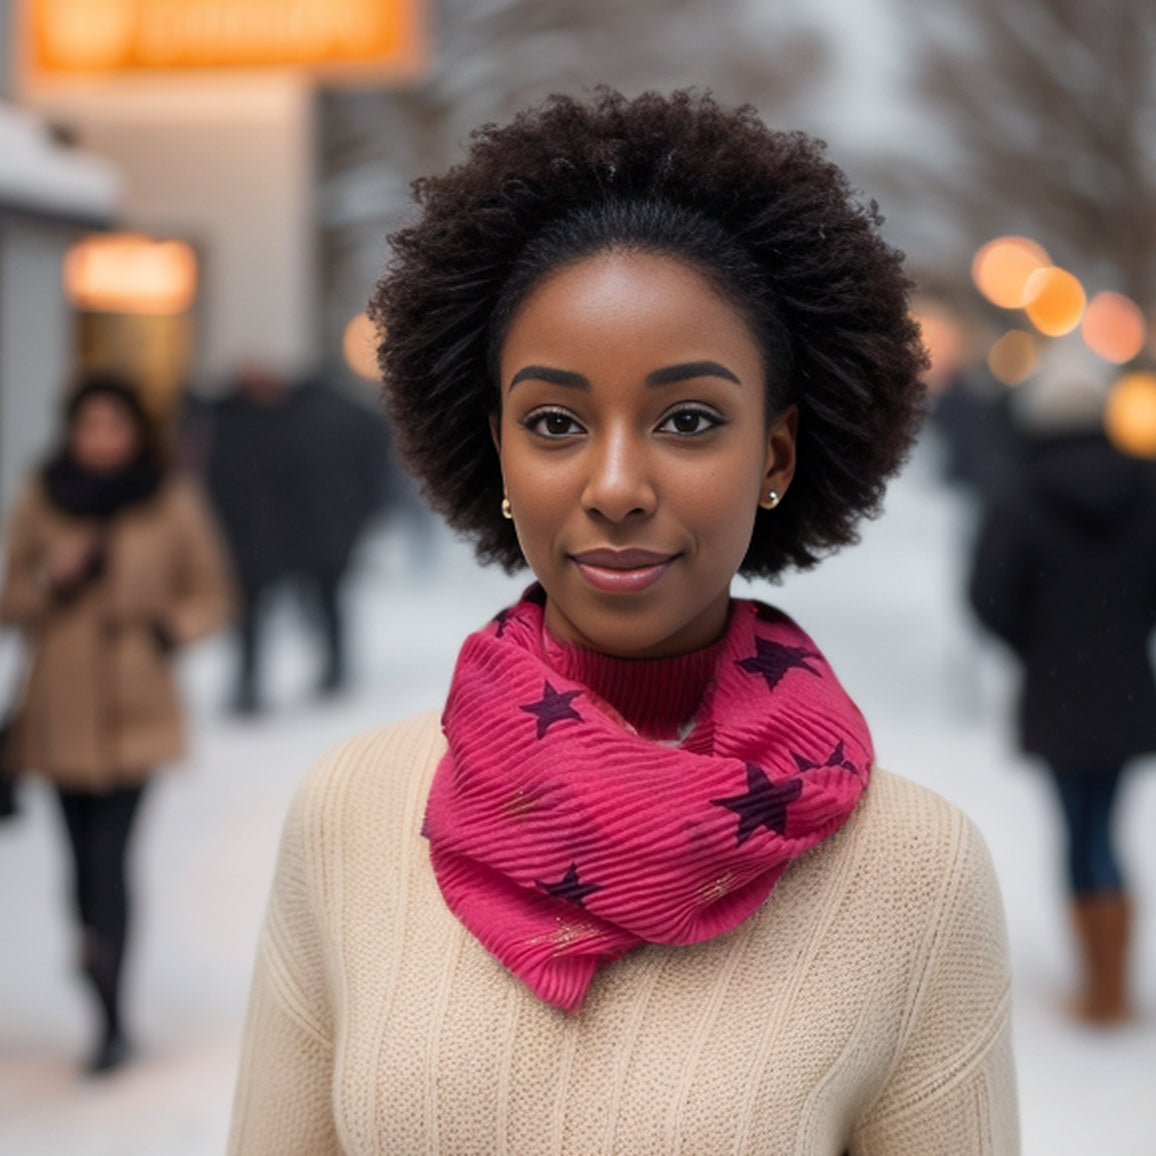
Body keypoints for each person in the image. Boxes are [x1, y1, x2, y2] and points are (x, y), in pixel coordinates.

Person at [230, 90, 1019, 1153]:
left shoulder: (912, 874)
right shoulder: (349, 816)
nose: (613, 485)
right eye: (553, 422)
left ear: (775, 456)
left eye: (687, 420)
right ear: (499, 450)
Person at [0, 372, 233, 1073]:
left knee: (112, 860)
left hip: (137, 701)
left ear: (135, 432)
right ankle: (93, 952)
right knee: (78, 863)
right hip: (59, 701)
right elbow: (10, 595)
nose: (100, 440)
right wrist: (52, 581)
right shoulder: (45, 493)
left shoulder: (169, 497)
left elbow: (212, 590)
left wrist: (167, 632)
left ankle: (110, 1009)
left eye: (113, 427)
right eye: (88, 427)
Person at [969, 348, 1156, 1027]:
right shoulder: (1146, 485)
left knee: (1078, 829)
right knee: (1105, 824)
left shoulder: (1021, 493)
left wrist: (1036, 644)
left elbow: (988, 597)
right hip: (1129, 686)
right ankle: (1112, 979)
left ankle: (1100, 985)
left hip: (1055, 689)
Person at [204, 364, 389, 712]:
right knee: (260, 610)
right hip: (263, 531)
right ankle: (259, 680)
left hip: (302, 529)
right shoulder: (233, 419)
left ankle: (327, 669)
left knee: (317, 601)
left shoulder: (310, 415)